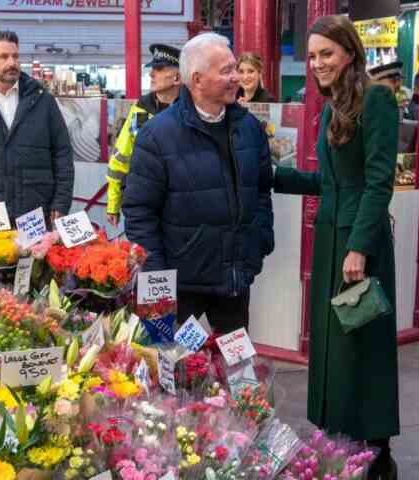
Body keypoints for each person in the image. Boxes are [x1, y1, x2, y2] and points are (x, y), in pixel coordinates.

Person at [270, 16, 399, 479]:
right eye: (312, 56)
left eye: (326, 53)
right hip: (331, 241)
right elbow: (332, 182)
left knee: (362, 345)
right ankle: (339, 440)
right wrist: (273, 176)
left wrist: (360, 247)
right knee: (333, 346)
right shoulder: (329, 109)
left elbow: (378, 180)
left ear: (349, 53)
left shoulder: (378, 99)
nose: (317, 63)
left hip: (358, 247)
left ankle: (377, 453)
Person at [122, 33, 274, 334]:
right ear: (197, 79)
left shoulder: (250, 129)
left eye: (236, 69)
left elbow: (261, 191)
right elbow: (140, 212)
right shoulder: (157, 135)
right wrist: (156, 277)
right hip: (180, 286)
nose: (236, 78)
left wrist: (260, 241)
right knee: (170, 368)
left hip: (234, 280)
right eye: (227, 71)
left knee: (236, 370)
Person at [0, 31, 73, 224]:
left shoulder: (43, 100)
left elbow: (63, 154)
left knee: (37, 256)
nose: (12, 63)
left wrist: (61, 202)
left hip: (34, 209)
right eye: (3, 57)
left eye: (15, 56)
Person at [105, 44, 182, 226]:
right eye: (152, 69)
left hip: (181, 210)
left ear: (177, 77)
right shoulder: (141, 109)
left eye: (159, 69)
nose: (151, 74)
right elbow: (120, 159)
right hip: (143, 205)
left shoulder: (191, 112)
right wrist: (113, 204)